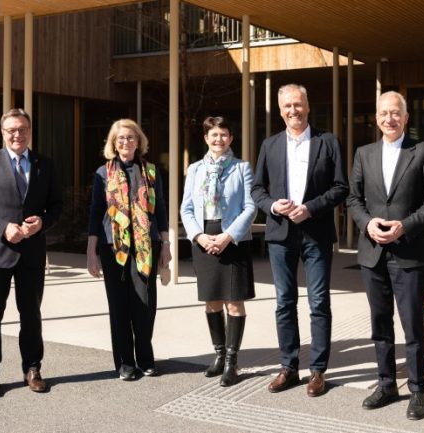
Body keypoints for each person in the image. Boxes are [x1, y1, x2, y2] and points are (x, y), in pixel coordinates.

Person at [346, 91, 424, 420]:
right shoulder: (364, 153)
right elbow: (353, 199)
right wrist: (367, 223)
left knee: (412, 325)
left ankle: (418, 389)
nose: (389, 118)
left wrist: (405, 226)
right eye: (384, 113)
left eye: (395, 113)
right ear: (377, 118)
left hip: (409, 252)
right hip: (372, 252)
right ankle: (386, 384)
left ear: (406, 118)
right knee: (380, 323)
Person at [251, 84, 348, 397]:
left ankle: (317, 370)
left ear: (307, 106)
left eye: (298, 104)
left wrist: (310, 208)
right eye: (287, 106)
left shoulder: (328, 142)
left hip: (316, 233)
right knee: (284, 301)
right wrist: (272, 206)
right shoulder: (270, 145)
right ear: (280, 111)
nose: (293, 110)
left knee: (318, 302)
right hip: (280, 234)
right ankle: (289, 367)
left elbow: (340, 187)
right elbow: (257, 189)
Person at [0, 108, 63, 397]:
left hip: (31, 254)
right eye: (11, 130)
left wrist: (42, 222)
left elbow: (57, 205)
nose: (17, 134)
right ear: (3, 133)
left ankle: (32, 369)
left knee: (31, 315)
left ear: (30, 131)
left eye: (22, 129)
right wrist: (2, 227)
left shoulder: (45, 164)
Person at [86, 118, 171, 381]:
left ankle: (145, 358)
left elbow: (161, 210)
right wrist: (91, 252)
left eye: (131, 137)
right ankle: (125, 362)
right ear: (114, 143)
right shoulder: (103, 173)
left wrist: (166, 246)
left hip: (146, 246)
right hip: (113, 247)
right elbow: (95, 213)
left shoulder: (151, 171)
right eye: (121, 138)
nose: (126, 141)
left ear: (139, 141)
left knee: (145, 303)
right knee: (119, 304)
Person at [180, 116, 256, 387]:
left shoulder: (242, 168)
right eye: (214, 134)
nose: (219, 139)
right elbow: (186, 208)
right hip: (204, 238)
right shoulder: (195, 169)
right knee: (212, 301)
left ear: (231, 138)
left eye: (224, 134)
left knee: (234, 302)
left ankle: (232, 362)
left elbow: (250, 206)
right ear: (206, 138)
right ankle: (219, 355)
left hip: (233, 239)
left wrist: (228, 236)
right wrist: (198, 236)